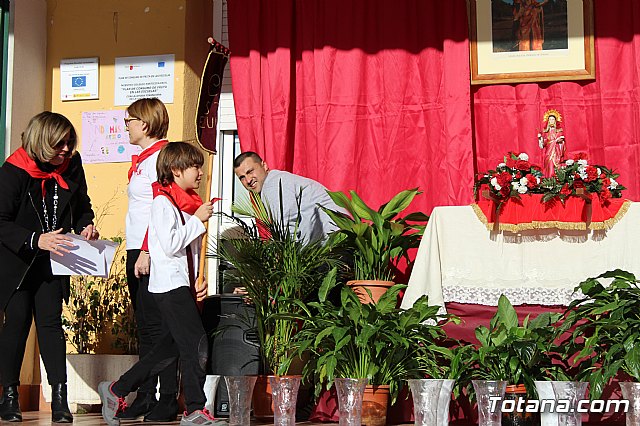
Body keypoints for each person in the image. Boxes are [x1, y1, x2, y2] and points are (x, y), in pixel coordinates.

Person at [98, 142, 216, 426]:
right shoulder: (163, 201)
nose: (200, 173)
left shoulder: (185, 201)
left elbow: (192, 250)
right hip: (169, 286)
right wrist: (198, 221)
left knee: (170, 349)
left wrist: (199, 280)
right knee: (196, 345)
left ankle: (117, 389)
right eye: (194, 167)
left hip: (181, 285)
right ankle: (195, 409)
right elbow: (171, 242)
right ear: (176, 170)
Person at [0, 111, 98, 423]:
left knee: (51, 326)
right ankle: (10, 396)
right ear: (43, 143)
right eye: (60, 144)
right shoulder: (13, 171)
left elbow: (82, 205)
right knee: (16, 325)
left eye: (70, 143)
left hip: (55, 259)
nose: (67, 150)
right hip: (17, 260)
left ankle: (60, 399)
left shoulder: (72, 165)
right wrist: (34, 239)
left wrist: (87, 226)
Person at [121, 98, 178, 421]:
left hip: (151, 251)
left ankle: (167, 397)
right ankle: (145, 394)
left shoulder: (161, 157)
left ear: (144, 123)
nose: (124, 126)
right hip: (137, 250)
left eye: (127, 120)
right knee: (146, 327)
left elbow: (163, 204)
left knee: (160, 328)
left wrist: (146, 250)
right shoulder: (143, 159)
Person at [233, 151, 340, 243]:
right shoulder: (277, 181)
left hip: (335, 242)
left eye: (250, 172)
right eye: (242, 177)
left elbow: (287, 229)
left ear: (264, 166)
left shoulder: (273, 185)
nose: (248, 180)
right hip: (334, 240)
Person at [538, 109, 566, 177]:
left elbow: (562, 143)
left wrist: (559, 141)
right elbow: (542, 146)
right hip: (548, 153)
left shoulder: (559, 132)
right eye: (550, 119)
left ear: (555, 121)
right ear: (548, 121)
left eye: (553, 119)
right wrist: (539, 139)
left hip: (556, 153)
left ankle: (556, 180)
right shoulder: (545, 133)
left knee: (555, 166)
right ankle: (548, 180)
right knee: (549, 165)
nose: (551, 121)